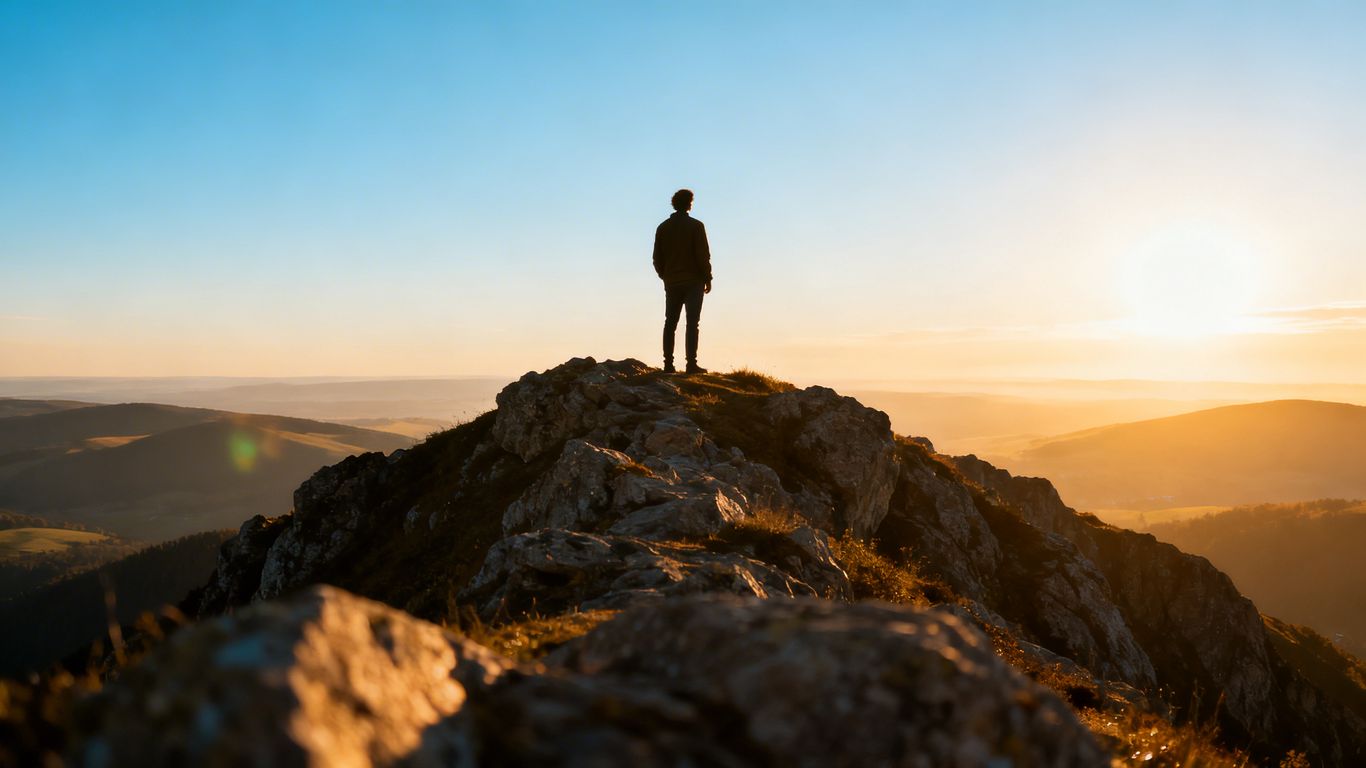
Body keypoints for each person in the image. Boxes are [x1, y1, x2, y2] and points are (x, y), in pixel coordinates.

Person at [652, 188, 712, 374]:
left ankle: (668, 364)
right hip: (693, 281)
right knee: (692, 323)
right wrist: (707, 277)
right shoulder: (696, 226)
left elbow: (656, 258)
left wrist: (666, 276)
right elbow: (703, 255)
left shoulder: (663, 227)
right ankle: (691, 364)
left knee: (670, 322)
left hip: (672, 282)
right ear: (689, 204)